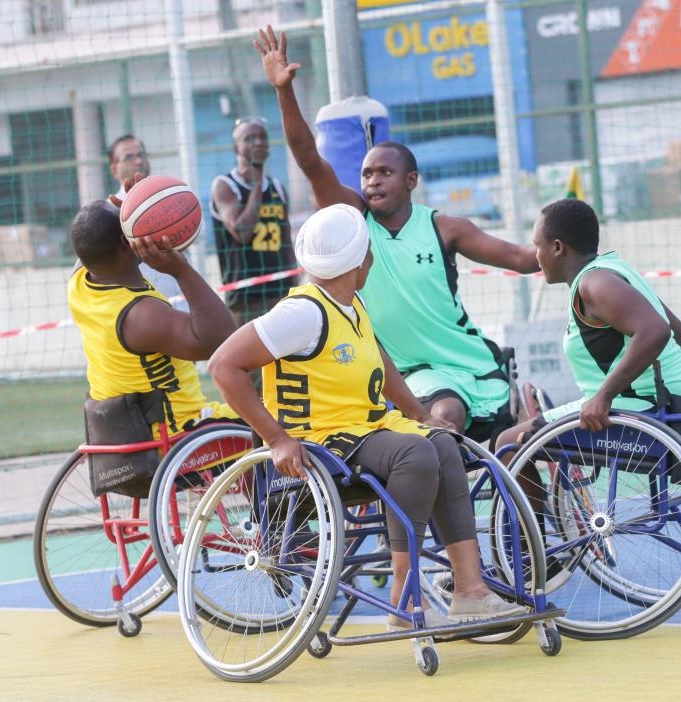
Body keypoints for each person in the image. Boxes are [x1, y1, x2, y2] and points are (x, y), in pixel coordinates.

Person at [208, 203, 524, 629]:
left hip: (362, 430)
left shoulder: (349, 305)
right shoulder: (304, 312)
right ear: (362, 259)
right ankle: (402, 595)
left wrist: (418, 412)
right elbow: (223, 365)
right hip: (319, 442)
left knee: (443, 444)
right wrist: (277, 438)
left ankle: (471, 590)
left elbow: (379, 359)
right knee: (413, 454)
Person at [254, 26, 540, 448]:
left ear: (411, 180)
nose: (371, 181)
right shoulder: (354, 220)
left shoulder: (445, 228)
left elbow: (520, 258)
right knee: (446, 417)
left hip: (472, 361)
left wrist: (568, 246)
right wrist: (284, 91)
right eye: (366, 173)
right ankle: (448, 511)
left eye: (384, 172)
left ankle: (520, 478)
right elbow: (311, 161)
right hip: (410, 372)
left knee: (515, 450)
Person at [496, 198, 681, 446]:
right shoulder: (614, 269)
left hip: (646, 408)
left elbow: (656, 331)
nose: (536, 256)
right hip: (674, 399)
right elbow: (677, 330)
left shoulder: (594, 283)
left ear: (558, 247)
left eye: (537, 246)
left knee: (507, 444)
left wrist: (605, 396)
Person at [68, 199, 239, 447]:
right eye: (129, 225)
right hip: (180, 435)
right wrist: (181, 270)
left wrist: (135, 203)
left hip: (124, 437)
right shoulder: (142, 314)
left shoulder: (78, 285)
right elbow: (222, 339)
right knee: (281, 420)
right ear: (126, 243)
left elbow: (90, 235)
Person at [210, 117, 299, 327]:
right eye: (250, 138)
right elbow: (242, 231)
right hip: (245, 298)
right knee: (249, 361)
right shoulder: (225, 186)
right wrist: (257, 186)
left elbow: (286, 242)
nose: (258, 142)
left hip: (280, 293)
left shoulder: (277, 187)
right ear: (236, 148)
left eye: (262, 137)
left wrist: (294, 287)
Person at [107, 134, 185, 309]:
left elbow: (198, 235)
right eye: (129, 157)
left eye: (141, 154)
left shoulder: (170, 194)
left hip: (181, 298)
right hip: (143, 306)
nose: (138, 161)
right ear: (114, 170)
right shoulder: (109, 211)